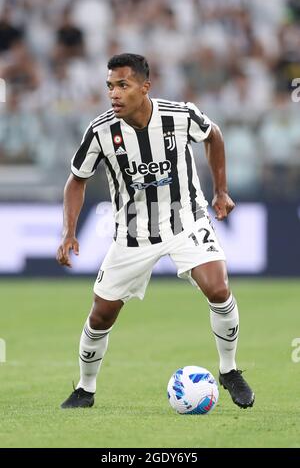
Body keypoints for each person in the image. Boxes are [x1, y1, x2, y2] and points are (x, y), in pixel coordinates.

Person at [57, 53, 255, 410]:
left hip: (186, 219)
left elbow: (215, 136)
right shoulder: (101, 131)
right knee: (101, 314)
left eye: (122, 85)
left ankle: (229, 369)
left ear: (145, 87)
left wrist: (221, 191)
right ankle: (85, 389)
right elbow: (77, 180)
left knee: (218, 287)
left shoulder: (180, 115)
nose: (114, 94)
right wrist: (69, 231)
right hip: (132, 233)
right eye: (109, 87)